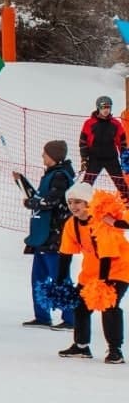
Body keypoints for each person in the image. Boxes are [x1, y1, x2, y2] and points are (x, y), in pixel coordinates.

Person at [57, 182, 129, 363]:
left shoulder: (101, 222)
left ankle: (115, 351)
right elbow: (65, 254)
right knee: (81, 307)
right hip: (91, 271)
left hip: (118, 268)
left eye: (78, 202)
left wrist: (103, 283)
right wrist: (61, 281)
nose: (73, 206)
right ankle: (81, 346)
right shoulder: (71, 224)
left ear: (88, 203)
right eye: (70, 202)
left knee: (109, 305)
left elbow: (106, 254)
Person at [15, 140, 76, 328]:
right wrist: (22, 183)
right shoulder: (51, 174)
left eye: (45, 153)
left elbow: (51, 201)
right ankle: (42, 316)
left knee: (59, 277)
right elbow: (39, 197)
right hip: (43, 236)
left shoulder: (60, 176)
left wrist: (32, 204)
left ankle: (71, 318)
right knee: (38, 278)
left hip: (55, 236)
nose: (43, 156)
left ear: (54, 156)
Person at [78, 95, 129, 200]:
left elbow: (122, 141)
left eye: (108, 107)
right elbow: (83, 142)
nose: (106, 110)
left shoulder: (115, 124)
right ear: (98, 108)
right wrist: (84, 158)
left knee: (121, 184)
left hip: (111, 158)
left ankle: (127, 203)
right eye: (103, 107)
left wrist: (124, 157)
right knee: (86, 183)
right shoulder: (89, 123)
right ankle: (80, 204)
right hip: (95, 158)